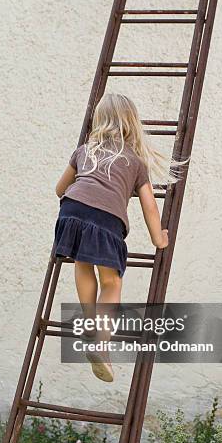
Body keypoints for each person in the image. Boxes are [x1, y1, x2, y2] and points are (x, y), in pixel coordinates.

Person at [54, 92, 187, 382]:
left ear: (98, 120)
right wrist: (159, 239)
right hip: (105, 220)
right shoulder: (136, 162)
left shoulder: (84, 150)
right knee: (112, 282)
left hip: (71, 212)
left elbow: (59, 188)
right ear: (132, 124)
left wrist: (84, 193)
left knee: (82, 262)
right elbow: (150, 205)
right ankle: (100, 342)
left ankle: (91, 325)